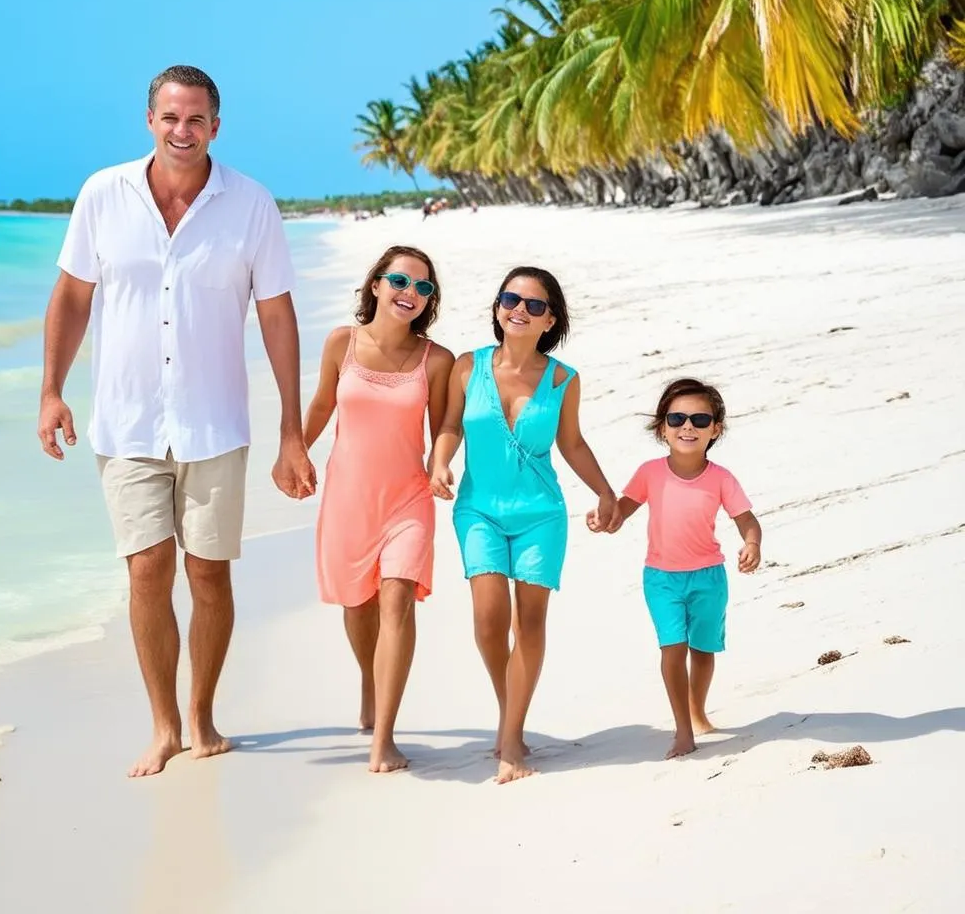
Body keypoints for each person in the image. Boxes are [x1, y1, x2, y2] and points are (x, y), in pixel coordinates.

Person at [37, 64, 315, 778]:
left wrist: (292, 429)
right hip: (126, 422)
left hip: (215, 422)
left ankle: (203, 713)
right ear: (149, 121)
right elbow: (71, 296)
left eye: (196, 120)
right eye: (170, 117)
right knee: (147, 570)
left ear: (215, 127)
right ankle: (163, 724)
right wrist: (51, 391)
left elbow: (277, 315)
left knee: (210, 575)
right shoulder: (104, 194)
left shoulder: (251, 204)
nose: (182, 131)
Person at [430, 266, 619, 783]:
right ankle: (508, 705)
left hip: (541, 515)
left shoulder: (563, 380)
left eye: (534, 305)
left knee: (529, 622)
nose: (520, 309)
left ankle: (511, 734)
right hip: (479, 510)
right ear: (497, 308)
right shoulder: (468, 367)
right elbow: (449, 425)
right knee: (488, 619)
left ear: (549, 319)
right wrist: (439, 461)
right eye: (511, 299)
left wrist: (605, 491)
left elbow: (572, 443)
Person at [303, 246, 454, 772]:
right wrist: (294, 450)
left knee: (397, 600)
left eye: (423, 287)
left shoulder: (437, 360)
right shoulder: (341, 344)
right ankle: (370, 681)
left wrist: (439, 464)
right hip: (348, 496)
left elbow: (445, 426)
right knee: (357, 605)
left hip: (408, 497)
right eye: (400, 281)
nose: (410, 293)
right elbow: (323, 404)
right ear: (375, 285)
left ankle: (384, 735)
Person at [587, 377, 762, 759]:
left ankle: (698, 711)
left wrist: (752, 544)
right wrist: (606, 517)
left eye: (700, 420)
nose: (688, 427)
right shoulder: (650, 472)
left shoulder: (721, 478)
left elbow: (747, 520)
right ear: (662, 427)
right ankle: (683, 728)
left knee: (702, 650)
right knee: (672, 647)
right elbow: (622, 512)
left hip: (709, 578)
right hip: (661, 579)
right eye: (677, 418)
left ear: (715, 429)